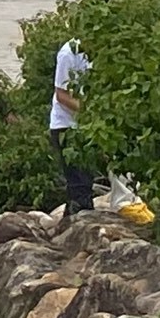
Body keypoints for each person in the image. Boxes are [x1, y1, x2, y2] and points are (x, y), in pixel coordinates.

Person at [48, 36, 96, 216]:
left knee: (87, 182)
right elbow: (61, 94)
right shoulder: (68, 53)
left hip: (89, 127)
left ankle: (74, 222)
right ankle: (77, 224)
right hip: (66, 126)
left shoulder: (102, 48)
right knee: (79, 185)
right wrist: (88, 110)